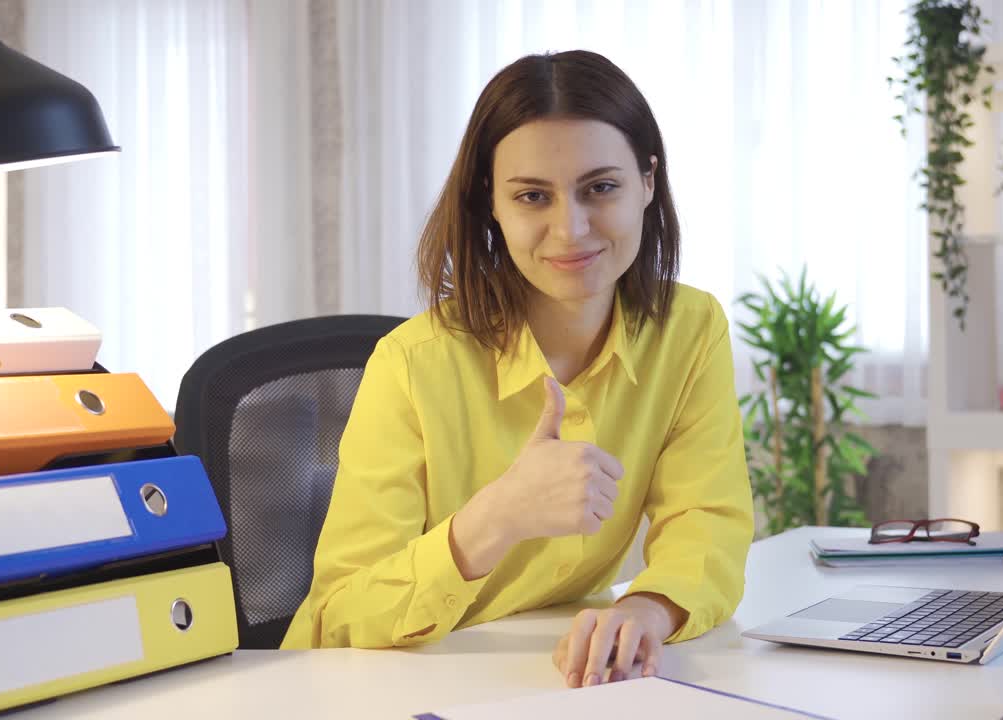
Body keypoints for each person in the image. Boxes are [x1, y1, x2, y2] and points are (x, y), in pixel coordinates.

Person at [281, 49, 754, 689]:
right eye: (534, 196)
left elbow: (707, 521)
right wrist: (496, 518)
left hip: (542, 685)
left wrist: (649, 607)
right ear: (491, 205)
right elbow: (341, 619)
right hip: (371, 689)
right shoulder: (412, 363)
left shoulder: (689, 330)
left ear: (647, 181)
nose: (571, 229)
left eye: (601, 187)